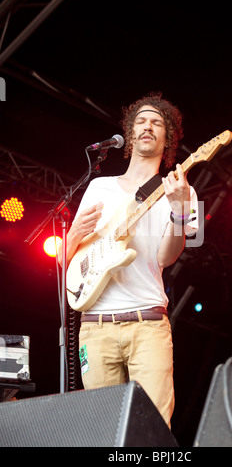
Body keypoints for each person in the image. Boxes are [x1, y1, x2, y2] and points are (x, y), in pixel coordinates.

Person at [59, 93, 198, 429]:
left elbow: (167, 257)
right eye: (141, 120)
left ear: (168, 140)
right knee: (99, 430)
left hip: (147, 324)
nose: (148, 126)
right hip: (94, 326)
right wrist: (74, 233)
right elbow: (68, 261)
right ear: (130, 133)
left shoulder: (182, 191)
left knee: (150, 429)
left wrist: (179, 211)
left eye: (157, 122)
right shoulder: (98, 187)